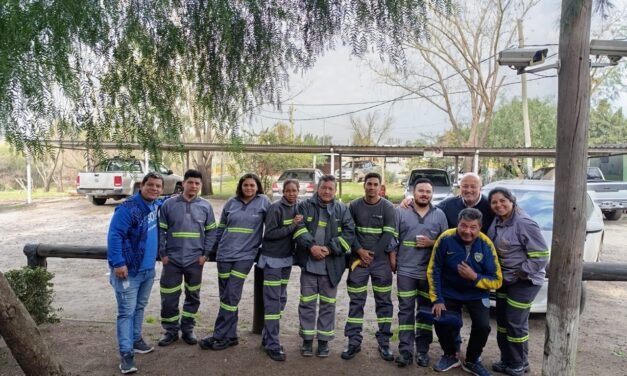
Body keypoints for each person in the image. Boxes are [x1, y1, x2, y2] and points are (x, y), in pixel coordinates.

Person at [198, 173, 270, 351]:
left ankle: (219, 335)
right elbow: (221, 227)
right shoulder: (231, 202)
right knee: (226, 298)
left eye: (252, 185)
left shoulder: (264, 202)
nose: (249, 188)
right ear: (240, 186)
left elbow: (271, 226)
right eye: (246, 185)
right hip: (224, 255)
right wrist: (212, 250)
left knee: (231, 295)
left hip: (245, 256)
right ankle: (230, 336)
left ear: (257, 187)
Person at [427, 208, 502, 376]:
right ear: (458, 224)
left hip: (476, 293)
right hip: (449, 292)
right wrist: (437, 299)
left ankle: (472, 360)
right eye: (463, 226)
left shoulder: (486, 244)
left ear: (480, 227)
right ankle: (450, 354)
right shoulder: (445, 238)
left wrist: (474, 277)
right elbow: (434, 270)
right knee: (440, 318)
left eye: (473, 227)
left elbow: (497, 280)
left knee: (483, 326)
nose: (467, 231)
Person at [487, 187, 548, 376]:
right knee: (503, 320)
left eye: (502, 201)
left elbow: (541, 255)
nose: (499, 205)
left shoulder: (524, 223)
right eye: (494, 202)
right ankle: (507, 359)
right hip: (505, 279)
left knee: (515, 321)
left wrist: (521, 273)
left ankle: (520, 362)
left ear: (512, 201)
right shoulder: (497, 221)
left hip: (525, 280)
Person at [107, 172, 164, 374]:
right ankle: (126, 354)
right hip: (128, 271)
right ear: (142, 185)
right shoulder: (128, 208)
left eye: (158, 186)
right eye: (151, 185)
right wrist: (118, 262)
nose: (155, 189)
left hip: (147, 270)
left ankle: (136, 340)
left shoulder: (156, 205)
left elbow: (173, 200)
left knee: (140, 307)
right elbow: (115, 235)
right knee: (126, 312)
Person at [293, 174, 355, 358]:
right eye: (324, 188)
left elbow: (349, 234)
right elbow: (299, 228)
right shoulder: (304, 206)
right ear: (318, 189)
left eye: (330, 188)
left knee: (328, 305)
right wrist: (311, 247)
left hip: (331, 267)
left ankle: (323, 342)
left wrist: (328, 249)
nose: (327, 191)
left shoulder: (342, 210)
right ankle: (306, 340)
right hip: (309, 265)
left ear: (335, 191)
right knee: (307, 304)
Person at [157, 169, 217, 347]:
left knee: (193, 296)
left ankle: (188, 329)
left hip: (194, 261)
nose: (194, 186)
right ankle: (170, 331)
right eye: (190, 182)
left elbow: (212, 232)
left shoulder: (206, 206)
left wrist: (205, 255)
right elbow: (161, 230)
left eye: (197, 183)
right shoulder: (169, 204)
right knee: (169, 297)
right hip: (172, 261)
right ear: (183, 183)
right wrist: (163, 254)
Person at [341, 172, 397, 362]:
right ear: (363, 185)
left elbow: (388, 235)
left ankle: (384, 343)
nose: (372, 187)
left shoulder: (388, 207)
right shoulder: (354, 205)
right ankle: (353, 342)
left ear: (381, 187)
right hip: (358, 260)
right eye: (369, 184)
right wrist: (359, 251)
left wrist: (370, 255)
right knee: (356, 301)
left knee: (384, 303)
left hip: (379, 262)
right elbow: (349, 231)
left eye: (375, 184)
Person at [393, 178, 448, 368]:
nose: (424, 194)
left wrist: (431, 243)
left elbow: (445, 243)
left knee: (425, 312)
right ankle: (405, 351)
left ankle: (423, 351)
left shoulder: (439, 215)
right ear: (413, 192)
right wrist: (393, 261)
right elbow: (393, 239)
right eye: (421, 191)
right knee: (405, 311)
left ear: (432, 194)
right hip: (406, 271)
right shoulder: (401, 211)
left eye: (428, 191)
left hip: (429, 273)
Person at [258, 179, 303, 361]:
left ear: (298, 191)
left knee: (281, 299)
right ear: (283, 192)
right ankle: (273, 345)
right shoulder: (275, 208)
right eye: (288, 190)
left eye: (294, 190)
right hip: (272, 260)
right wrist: (292, 225)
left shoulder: (299, 207)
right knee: (272, 302)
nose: (291, 193)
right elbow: (269, 234)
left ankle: (266, 337)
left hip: (286, 260)